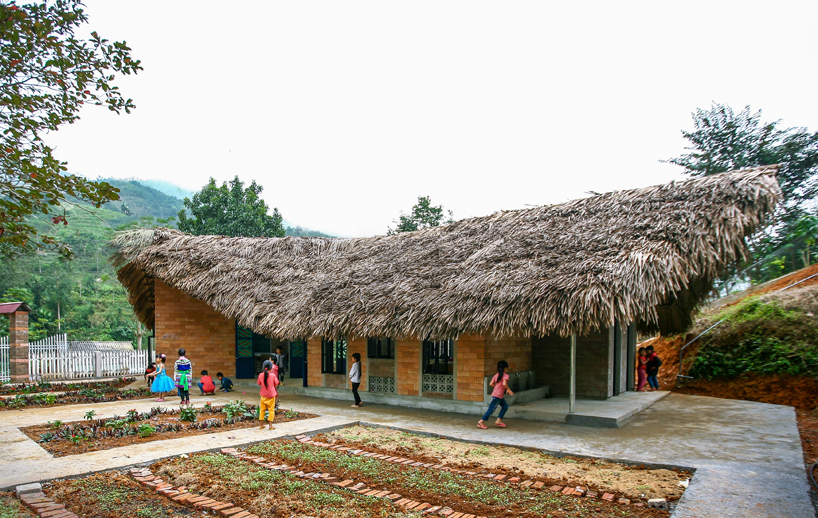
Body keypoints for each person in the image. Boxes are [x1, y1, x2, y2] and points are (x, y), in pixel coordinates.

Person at [477, 360, 514, 429]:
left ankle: (498, 420)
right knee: (491, 410)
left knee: (505, 406)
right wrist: (508, 389)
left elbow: (491, 384)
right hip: (498, 396)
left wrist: (497, 388)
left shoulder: (496, 375)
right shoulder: (505, 375)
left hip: (496, 395)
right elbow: (504, 384)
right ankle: (481, 421)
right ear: (505, 368)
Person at [257, 360, 279, 430]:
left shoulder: (260, 375)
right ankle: (270, 426)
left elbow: (259, 383)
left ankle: (261, 425)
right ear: (271, 367)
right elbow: (277, 382)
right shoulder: (273, 375)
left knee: (262, 410)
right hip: (271, 396)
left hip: (263, 395)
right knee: (271, 410)